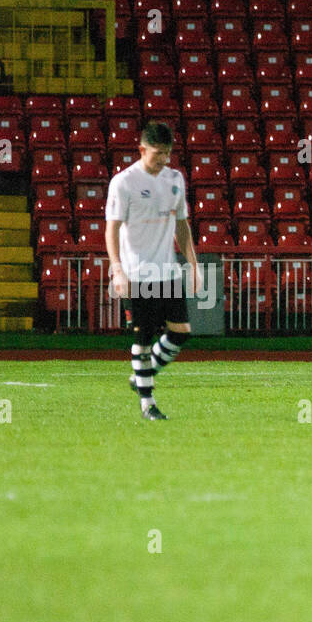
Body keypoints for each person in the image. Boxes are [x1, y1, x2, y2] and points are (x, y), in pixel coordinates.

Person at [105, 121, 198, 421]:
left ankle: (140, 375)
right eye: (158, 153)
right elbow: (112, 229)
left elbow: (182, 225)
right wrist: (117, 270)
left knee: (181, 332)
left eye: (168, 153)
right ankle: (148, 404)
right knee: (143, 339)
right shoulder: (124, 182)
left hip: (168, 272)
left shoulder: (175, 179)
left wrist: (193, 265)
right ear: (142, 149)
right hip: (138, 273)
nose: (164, 160)